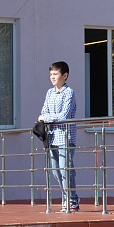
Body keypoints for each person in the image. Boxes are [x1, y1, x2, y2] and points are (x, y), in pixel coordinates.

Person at [39, 61, 79, 212]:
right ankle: (66, 197)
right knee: (55, 170)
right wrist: (46, 117)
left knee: (65, 169)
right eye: (51, 74)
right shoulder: (49, 93)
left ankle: (72, 200)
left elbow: (64, 116)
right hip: (51, 137)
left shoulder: (69, 92)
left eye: (55, 74)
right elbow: (43, 111)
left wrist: (47, 118)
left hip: (66, 137)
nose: (52, 77)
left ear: (65, 75)